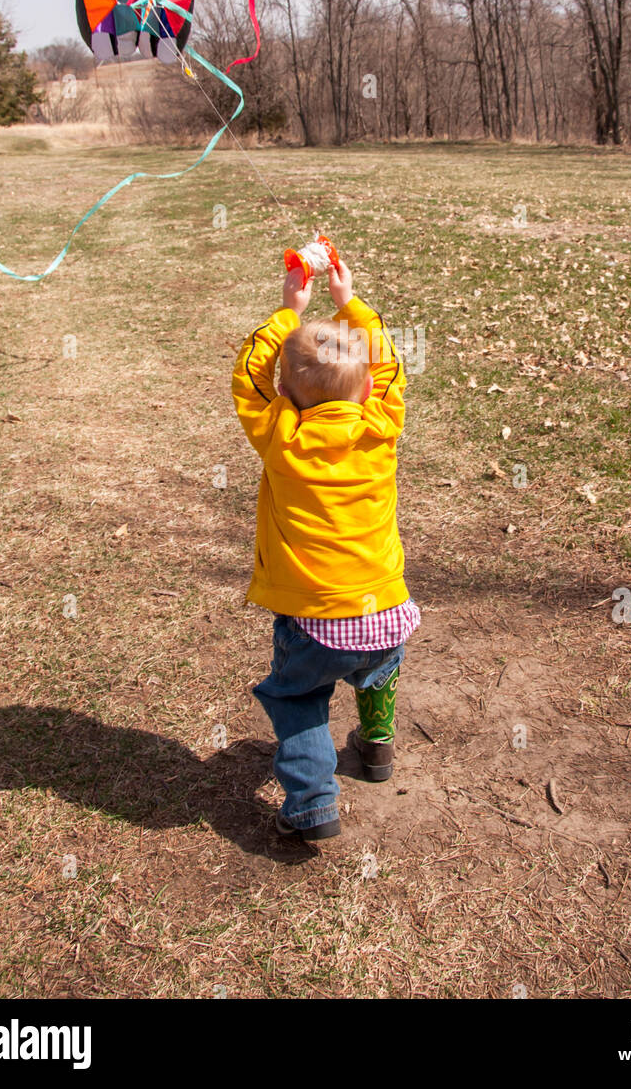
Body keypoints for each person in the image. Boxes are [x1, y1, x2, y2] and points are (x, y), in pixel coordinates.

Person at [231, 254, 420, 840]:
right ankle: (377, 747)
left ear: (284, 390)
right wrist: (349, 303)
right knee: (377, 670)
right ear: (366, 388)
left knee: (300, 699)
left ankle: (313, 803)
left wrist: (290, 311)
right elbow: (389, 367)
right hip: (386, 612)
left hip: (313, 623)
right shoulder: (380, 428)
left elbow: (248, 378)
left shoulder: (279, 434)